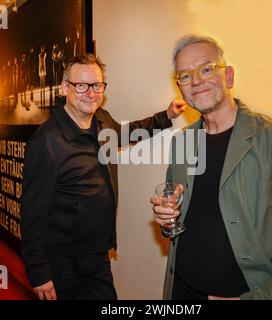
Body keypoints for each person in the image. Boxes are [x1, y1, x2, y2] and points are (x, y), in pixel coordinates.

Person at [21, 53, 186, 300]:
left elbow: (128, 132)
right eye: (82, 85)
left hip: (97, 256)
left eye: (97, 85)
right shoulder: (46, 143)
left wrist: (166, 116)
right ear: (65, 87)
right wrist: (38, 272)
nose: (91, 93)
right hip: (62, 264)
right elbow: (32, 213)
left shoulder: (102, 120)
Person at [151, 34, 272, 300]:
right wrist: (167, 219)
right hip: (181, 292)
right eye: (185, 76)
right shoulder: (181, 142)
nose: (196, 80)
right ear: (181, 88)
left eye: (206, 69)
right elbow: (179, 219)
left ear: (229, 77)